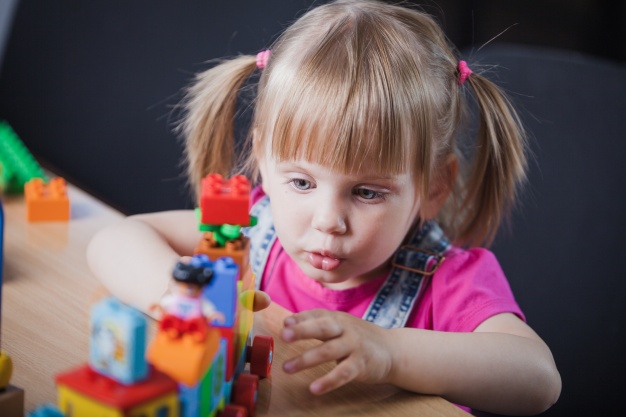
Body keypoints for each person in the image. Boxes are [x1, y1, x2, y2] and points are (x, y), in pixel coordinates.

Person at [87, 0, 561, 414]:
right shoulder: (252, 231)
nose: (327, 221)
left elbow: (539, 380)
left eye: (368, 192)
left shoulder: (449, 281)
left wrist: (391, 352)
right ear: (264, 166)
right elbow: (114, 239)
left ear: (434, 188)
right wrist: (178, 301)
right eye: (301, 181)